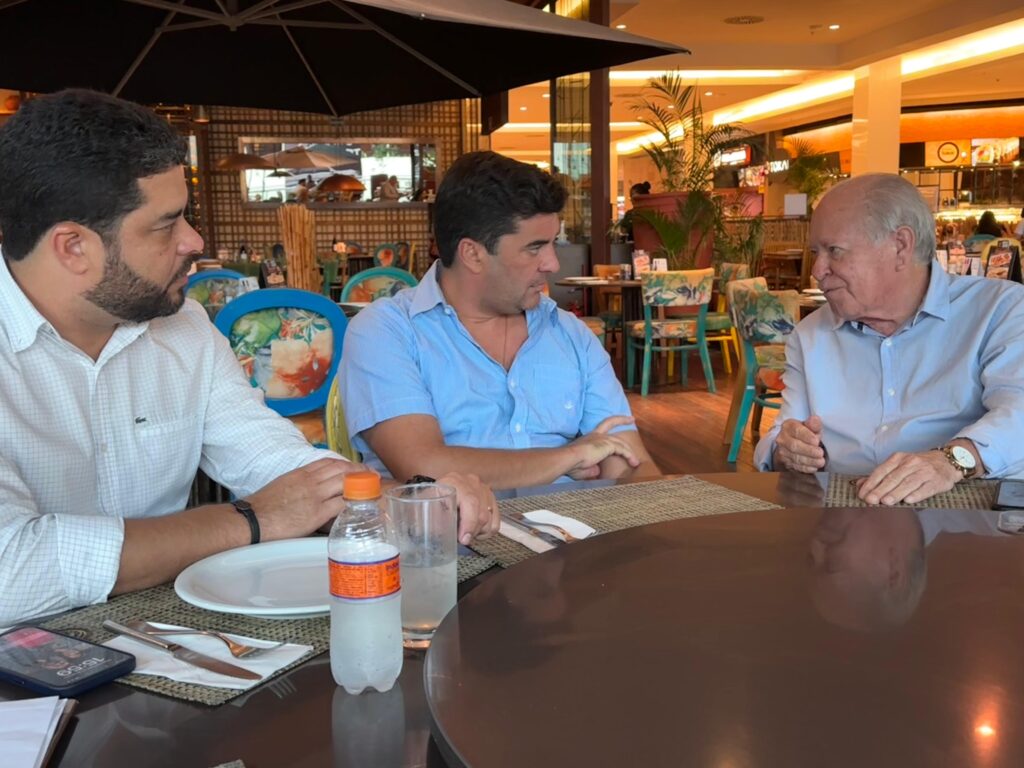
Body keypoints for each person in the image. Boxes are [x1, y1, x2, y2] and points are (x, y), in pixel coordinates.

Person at [0, 89, 497, 625]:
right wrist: (249, 521)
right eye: (167, 224)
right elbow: (12, 572)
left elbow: (273, 460)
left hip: (169, 640)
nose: (195, 240)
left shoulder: (182, 328)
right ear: (72, 247)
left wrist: (404, 502)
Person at [338, 150, 659, 489]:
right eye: (535, 247)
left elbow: (629, 462)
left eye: (552, 244)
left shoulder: (570, 335)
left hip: (578, 535)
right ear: (473, 253)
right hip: (449, 538)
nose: (552, 263)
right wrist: (569, 457)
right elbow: (423, 467)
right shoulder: (387, 333)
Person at [754, 173, 1024, 504]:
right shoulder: (811, 336)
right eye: (815, 252)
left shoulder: (999, 309)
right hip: (845, 526)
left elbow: (1019, 412)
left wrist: (951, 460)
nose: (817, 269)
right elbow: (778, 438)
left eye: (834, 251)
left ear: (900, 246)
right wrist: (788, 450)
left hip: (969, 522)